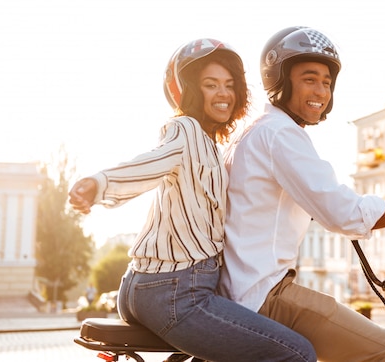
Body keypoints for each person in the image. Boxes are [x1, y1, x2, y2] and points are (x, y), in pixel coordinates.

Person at [68, 38, 317, 362]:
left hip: (150, 287)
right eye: (210, 85)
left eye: (229, 85)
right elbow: (152, 162)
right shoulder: (186, 131)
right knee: (297, 353)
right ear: (188, 91)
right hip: (175, 292)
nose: (223, 93)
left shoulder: (212, 146)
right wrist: (97, 183)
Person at [220, 27, 385, 362]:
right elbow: (343, 213)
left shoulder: (255, 131)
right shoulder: (280, 134)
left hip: (243, 290)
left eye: (327, 82)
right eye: (309, 79)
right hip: (264, 294)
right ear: (280, 81)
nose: (321, 91)